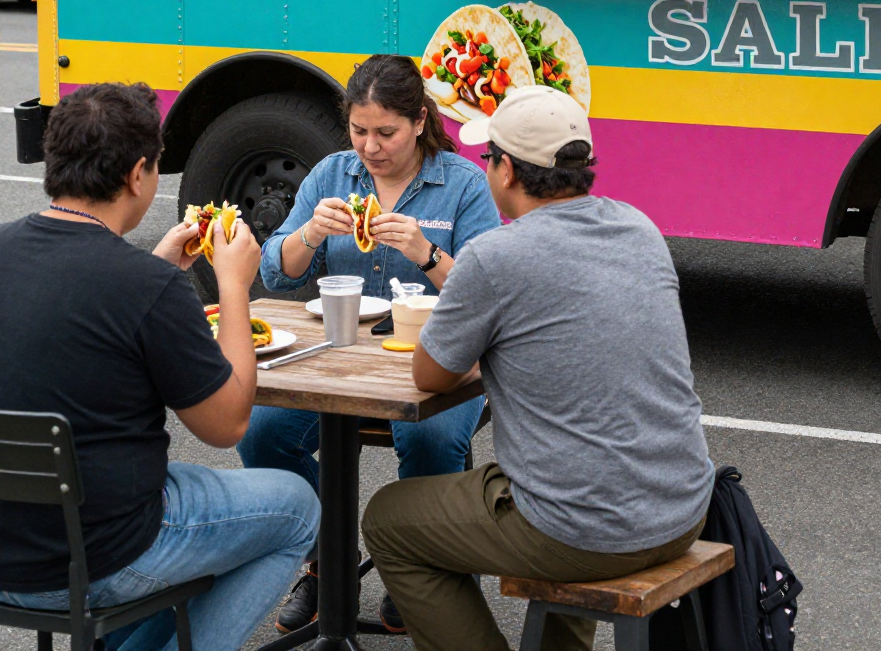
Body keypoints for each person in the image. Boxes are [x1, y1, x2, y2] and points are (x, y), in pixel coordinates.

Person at [361, 86, 714, 651]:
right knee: (563, 477)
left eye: (489, 157)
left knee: (388, 520)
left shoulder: (496, 256)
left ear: (506, 172)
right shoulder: (639, 229)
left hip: (584, 526)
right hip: (684, 505)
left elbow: (429, 376)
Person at [0, 82, 319, 651]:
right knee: (295, 507)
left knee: (209, 504)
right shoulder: (148, 288)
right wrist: (233, 285)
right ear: (138, 174)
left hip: (11, 551)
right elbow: (226, 427)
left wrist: (156, 273)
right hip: (101, 554)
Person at [243, 54, 501, 632]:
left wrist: (426, 254)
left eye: (385, 132)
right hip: (340, 355)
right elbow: (277, 272)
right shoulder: (332, 175)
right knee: (260, 433)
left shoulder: (461, 185)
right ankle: (322, 559)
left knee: (430, 436)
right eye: (359, 131)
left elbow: (489, 291)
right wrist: (308, 233)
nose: (370, 146)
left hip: (435, 358)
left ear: (419, 122)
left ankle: (422, 567)